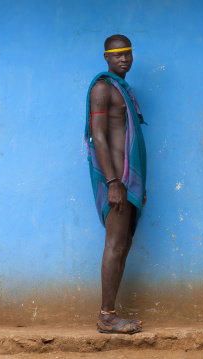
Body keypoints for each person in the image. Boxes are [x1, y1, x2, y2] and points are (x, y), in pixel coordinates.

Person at [84, 34, 147, 334]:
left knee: (124, 244)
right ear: (106, 58)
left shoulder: (123, 90)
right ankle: (106, 316)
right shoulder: (102, 88)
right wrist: (113, 182)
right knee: (114, 244)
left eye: (128, 53)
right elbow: (98, 137)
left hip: (127, 180)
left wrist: (134, 183)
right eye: (117, 54)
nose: (124, 58)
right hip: (114, 179)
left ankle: (109, 313)